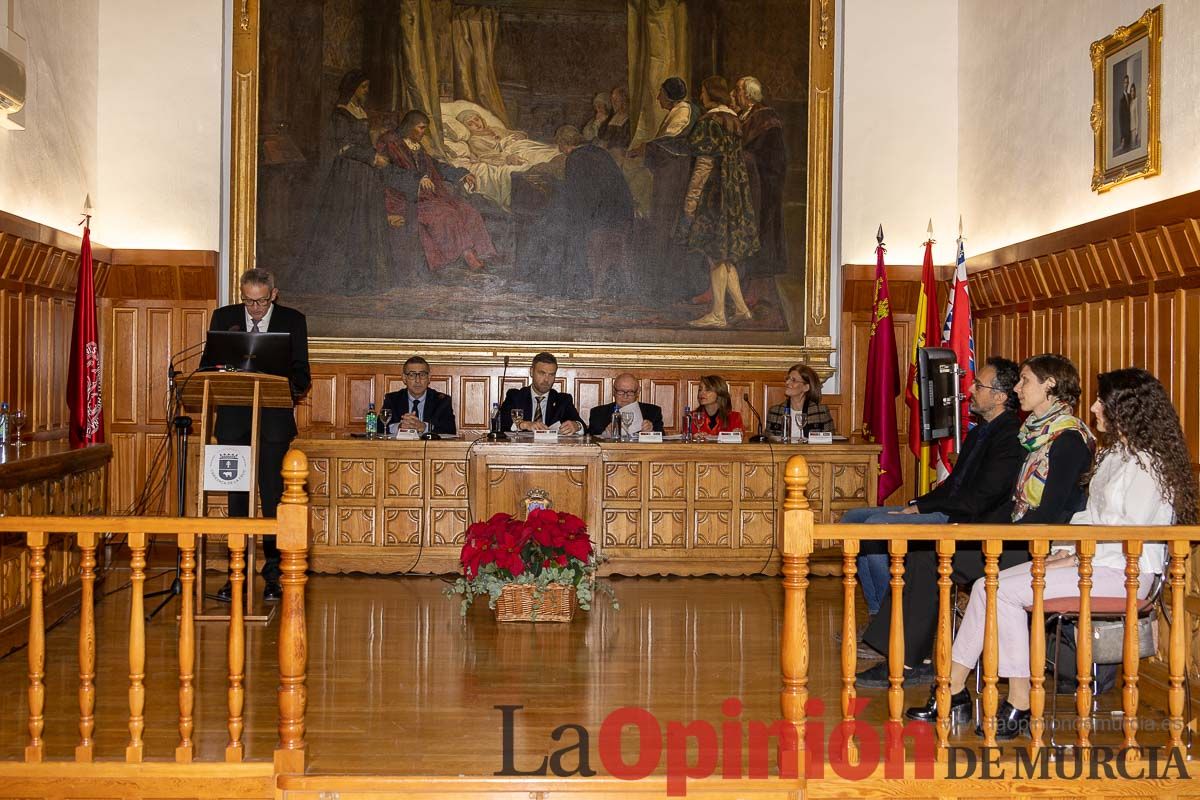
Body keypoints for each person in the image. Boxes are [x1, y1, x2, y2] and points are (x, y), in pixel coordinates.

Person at [918, 367, 1196, 739]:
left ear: (1127, 409)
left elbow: (1131, 533)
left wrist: (1078, 556)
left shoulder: (1147, 465)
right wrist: (1063, 549)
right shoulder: (1115, 455)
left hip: (1124, 575)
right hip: (1092, 563)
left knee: (1005, 592)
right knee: (987, 584)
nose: (1094, 407)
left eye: (1103, 401)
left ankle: (1020, 698)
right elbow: (1087, 517)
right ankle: (951, 687)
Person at [851, 357, 1035, 687]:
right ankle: (887, 621)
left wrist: (926, 513)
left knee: (890, 534)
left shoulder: (1008, 437)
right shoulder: (984, 431)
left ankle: (903, 649)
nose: (969, 390)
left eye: (979, 386)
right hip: (960, 513)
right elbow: (955, 483)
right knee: (855, 519)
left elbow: (981, 498)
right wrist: (917, 504)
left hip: (979, 526)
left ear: (1000, 396)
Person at [199, 269, 311, 602]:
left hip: (273, 423)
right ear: (241, 294)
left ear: (273, 294)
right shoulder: (225, 317)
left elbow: (302, 373)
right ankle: (237, 573)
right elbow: (208, 366)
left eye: (261, 302)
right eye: (249, 301)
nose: (255, 310)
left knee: (273, 497)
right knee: (236, 498)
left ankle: (274, 575)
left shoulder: (293, 320)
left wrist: (279, 386)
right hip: (233, 423)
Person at [299, 71, 392, 295]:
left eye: (367, 87)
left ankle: (365, 279)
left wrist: (375, 151)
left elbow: (363, 141)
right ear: (352, 88)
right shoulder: (341, 114)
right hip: (348, 176)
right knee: (348, 226)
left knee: (366, 226)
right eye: (362, 87)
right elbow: (344, 147)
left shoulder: (360, 111)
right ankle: (343, 280)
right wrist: (371, 158)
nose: (366, 92)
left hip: (365, 177)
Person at [678, 76, 759, 329]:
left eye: (702, 91)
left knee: (715, 254)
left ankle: (718, 314)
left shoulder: (708, 121)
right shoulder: (734, 119)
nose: (701, 96)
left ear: (710, 93)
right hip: (734, 192)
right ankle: (743, 309)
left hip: (714, 194)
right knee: (726, 256)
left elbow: (703, 164)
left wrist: (691, 199)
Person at [377, 110, 496, 272]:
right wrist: (417, 179)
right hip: (403, 198)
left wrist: (461, 173)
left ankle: (484, 254)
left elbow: (436, 166)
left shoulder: (417, 146)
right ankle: (468, 256)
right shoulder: (389, 142)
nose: (423, 132)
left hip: (428, 196)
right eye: (420, 128)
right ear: (409, 126)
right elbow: (386, 172)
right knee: (446, 214)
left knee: (467, 211)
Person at [528, 125, 634, 298]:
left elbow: (579, 197)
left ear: (563, 143)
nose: (559, 149)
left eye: (559, 145)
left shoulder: (575, 158)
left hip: (603, 219)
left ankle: (568, 288)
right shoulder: (600, 152)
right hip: (622, 215)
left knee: (559, 232)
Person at [734, 76, 787, 279]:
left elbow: (769, 154)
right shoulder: (746, 115)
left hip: (765, 180)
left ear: (747, 95)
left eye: (738, 90)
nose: (736, 94)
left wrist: (746, 157)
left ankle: (760, 273)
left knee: (763, 224)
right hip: (750, 178)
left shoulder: (766, 118)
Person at [501, 352, 584, 435]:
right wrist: (524, 424)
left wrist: (577, 426)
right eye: (542, 373)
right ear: (531, 372)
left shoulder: (563, 400)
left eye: (551, 375)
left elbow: (582, 425)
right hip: (522, 447)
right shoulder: (515, 396)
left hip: (553, 447)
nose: (546, 380)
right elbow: (503, 422)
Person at [379, 356, 456, 436]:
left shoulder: (442, 401)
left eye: (422, 375)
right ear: (404, 378)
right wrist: (399, 427)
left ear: (429, 377)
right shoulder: (392, 399)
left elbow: (450, 430)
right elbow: (379, 428)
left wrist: (425, 427)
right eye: (412, 375)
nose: (417, 380)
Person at [765, 363, 833, 440]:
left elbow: (830, 441)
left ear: (806, 387)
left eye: (793, 380)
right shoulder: (775, 412)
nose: (787, 383)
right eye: (788, 378)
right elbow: (768, 441)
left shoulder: (821, 411)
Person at [587, 373, 664, 437]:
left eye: (630, 392)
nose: (625, 396)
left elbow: (663, 440)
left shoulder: (653, 412)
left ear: (637, 392)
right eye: (620, 391)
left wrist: (651, 433)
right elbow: (591, 440)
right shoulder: (598, 413)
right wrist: (606, 434)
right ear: (614, 392)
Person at [457, 109, 529, 166]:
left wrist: (520, 135)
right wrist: (507, 158)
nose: (476, 124)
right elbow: (489, 156)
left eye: (476, 119)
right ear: (466, 128)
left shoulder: (494, 129)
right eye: (470, 124)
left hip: (521, 148)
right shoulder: (475, 141)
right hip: (511, 158)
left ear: (481, 119)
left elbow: (509, 133)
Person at [597, 87, 632, 152]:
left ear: (623, 101)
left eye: (616, 100)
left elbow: (626, 141)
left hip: (618, 153)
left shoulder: (629, 119)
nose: (613, 103)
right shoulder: (611, 116)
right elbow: (600, 134)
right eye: (612, 100)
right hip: (605, 150)